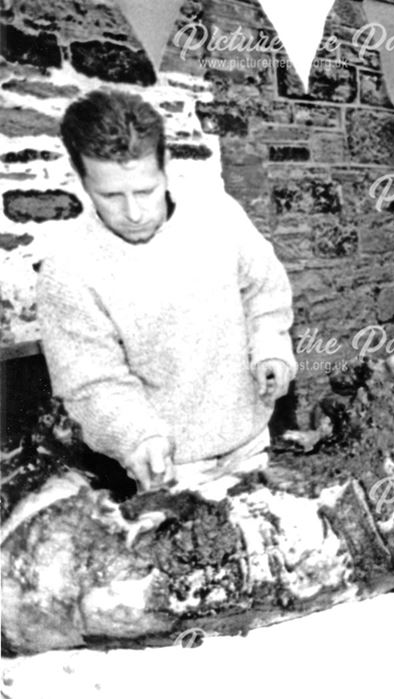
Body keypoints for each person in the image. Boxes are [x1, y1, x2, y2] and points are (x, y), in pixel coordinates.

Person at [37, 89, 296, 491]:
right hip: (171, 471)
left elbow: (264, 290)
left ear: (165, 166)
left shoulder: (217, 213)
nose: (134, 213)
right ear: (79, 177)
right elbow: (92, 382)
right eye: (111, 196)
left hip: (251, 442)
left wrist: (270, 346)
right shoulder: (67, 270)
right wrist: (138, 436)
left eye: (144, 190)